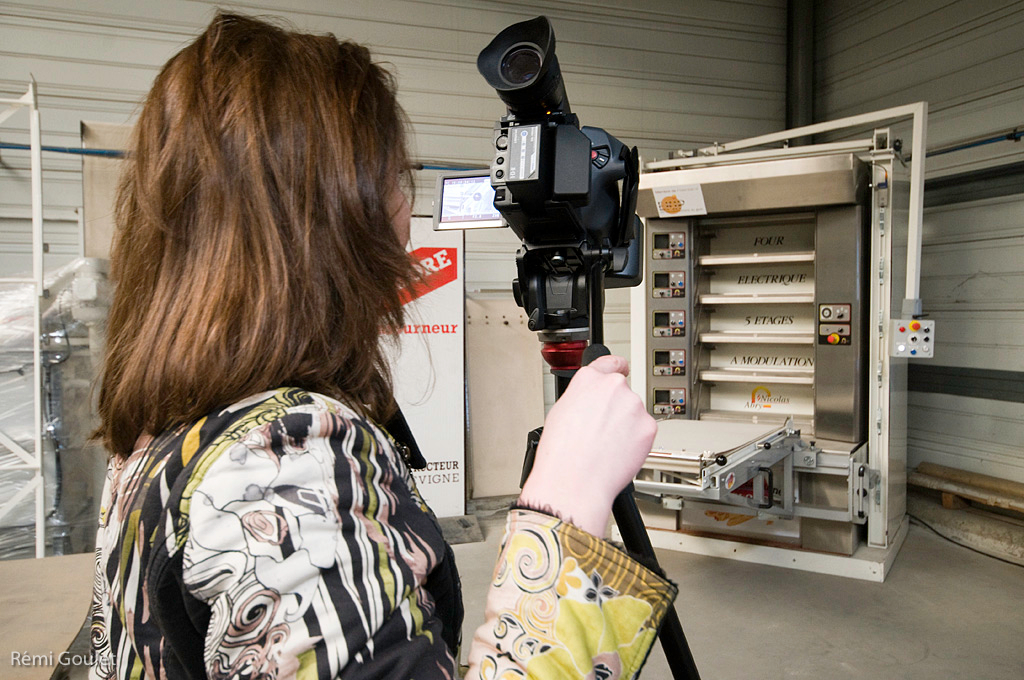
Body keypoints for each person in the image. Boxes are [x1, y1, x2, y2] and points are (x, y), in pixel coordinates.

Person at [89, 12, 676, 680]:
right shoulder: (284, 460)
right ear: (333, 215)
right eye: (396, 178)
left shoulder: (161, 435)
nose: (405, 215)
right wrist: (566, 508)